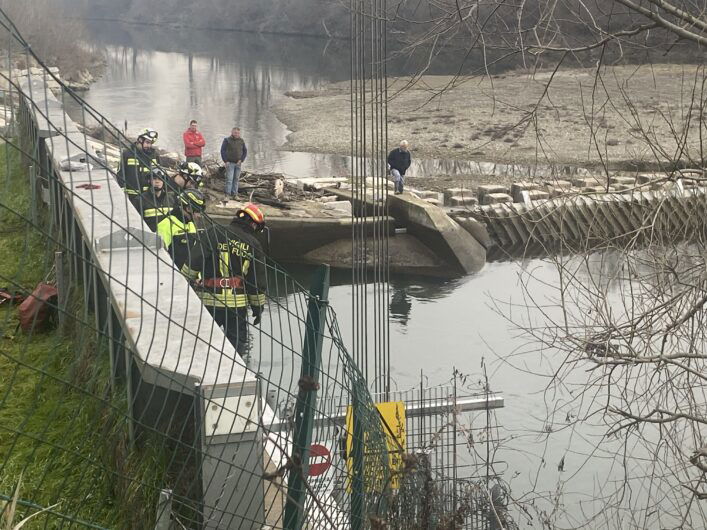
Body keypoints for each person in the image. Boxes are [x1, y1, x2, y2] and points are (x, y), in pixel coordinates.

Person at [181, 203, 267, 356]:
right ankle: (233, 376)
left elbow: (195, 260)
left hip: (208, 300)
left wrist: (184, 282)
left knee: (200, 344)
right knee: (236, 349)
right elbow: (257, 283)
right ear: (253, 224)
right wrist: (257, 308)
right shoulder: (254, 245)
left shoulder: (213, 232)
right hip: (236, 307)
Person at [156, 189, 205, 269]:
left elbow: (194, 255)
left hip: (187, 275)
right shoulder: (166, 225)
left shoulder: (191, 224)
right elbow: (160, 256)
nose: (200, 215)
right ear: (188, 209)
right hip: (171, 275)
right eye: (197, 211)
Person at [118, 128, 160, 207]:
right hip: (132, 196)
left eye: (151, 143)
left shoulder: (154, 155)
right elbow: (120, 174)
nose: (149, 146)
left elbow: (159, 175)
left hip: (150, 195)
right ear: (140, 140)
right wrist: (123, 193)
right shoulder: (127, 154)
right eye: (147, 142)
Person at [139, 167, 174, 232]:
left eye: (160, 179)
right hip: (150, 238)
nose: (157, 181)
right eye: (154, 179)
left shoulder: (172, 198)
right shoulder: (141, 199)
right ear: (149, 181)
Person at [220, 127, 248, 199]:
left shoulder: (241, 141)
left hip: (238, 163)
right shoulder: (227, 140)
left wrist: (241, 160)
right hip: (230, 163)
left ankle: (235, 194)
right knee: (229, 179)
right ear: (232, 132)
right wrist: (226, 161)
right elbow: (222, 151)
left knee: (236, 179)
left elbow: (245, 151)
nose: (236, 134)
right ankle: (227, 195)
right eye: (235, 133)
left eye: (238, 133)